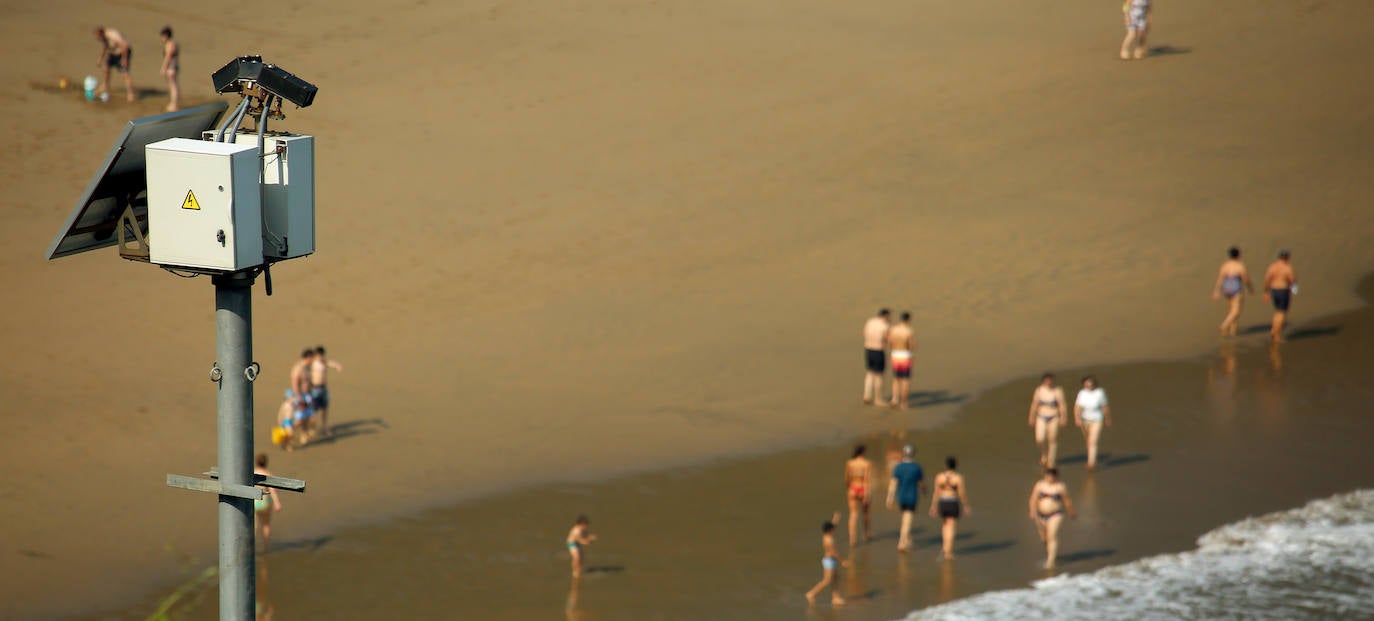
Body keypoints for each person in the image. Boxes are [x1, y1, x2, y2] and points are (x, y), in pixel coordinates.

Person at [1029, 468, 1076, 569]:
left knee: (1052, 536)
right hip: (1040, 514)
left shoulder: (1060, 487)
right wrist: (1032, 511)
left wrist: (1071, 512)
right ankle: (1051, 553)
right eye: (1048, 475)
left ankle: (1050, 562)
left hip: (1055, 514)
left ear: (1056, 477)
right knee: (1044, 538)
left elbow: (1066, 500)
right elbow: (1033, 498)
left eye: (1052, 476)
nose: (1049, 478)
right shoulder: (1040, 485)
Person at [886, 444, 927, 552]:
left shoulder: (898, 467)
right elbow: (920, 483)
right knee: (908, 518)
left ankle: (907, 538)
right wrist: (924, 490)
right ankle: (902, 542)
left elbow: (893, 484)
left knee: (904, 517)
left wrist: (889, 498)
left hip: (901, 496)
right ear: (913, 454)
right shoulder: (916, 467)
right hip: (911, 496)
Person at [929, 456, 970, 560]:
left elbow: (936, 492)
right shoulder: (958, 478)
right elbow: (961, 493)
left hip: (942, 502)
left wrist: (933, 506)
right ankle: (949, 552)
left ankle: (944, 548)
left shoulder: (939, 476)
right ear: (955, 466)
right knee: (951, 526)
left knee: (945, 524)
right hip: (952, 502)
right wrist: (965, 505)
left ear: (946, 465)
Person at [804, 512, 847, 607]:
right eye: (833, 529)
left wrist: (835, 518)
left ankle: (835, 598)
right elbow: (833, 553)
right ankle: (811, 594)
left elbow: (832, 525)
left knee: (836, 579)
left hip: (832, 561)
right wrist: (843, 561)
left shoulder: (827, 535)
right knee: (827, 581)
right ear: (830, 530)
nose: (834, 529)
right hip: (829, 562)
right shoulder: (829, 540)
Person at [1212, 247, 1254, 338]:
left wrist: (1216, 291)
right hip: (1236, 288)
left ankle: (1233, 331)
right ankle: (1224, 325)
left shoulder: (1225, 265)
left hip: (1226, 288)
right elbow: (1245, 279)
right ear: (1238, 255)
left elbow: (1220, 278)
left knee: (1232, 309)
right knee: (1236, 310)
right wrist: (1250, 288)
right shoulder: (1240, 266)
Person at [1028, 373, 1067, 468]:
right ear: (1044, 381)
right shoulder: (1039, 390)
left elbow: (1062, 405)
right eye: (1047, 380)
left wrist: (1063, 417)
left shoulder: (1058, 391)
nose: (1049, 382)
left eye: (1050, 380)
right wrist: (1031, 417)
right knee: (1039, 439)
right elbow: (1034, 404)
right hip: (1041, 416)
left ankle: (1051, 461)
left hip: (1054, 416)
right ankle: (1044, 454)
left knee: (1052, 439)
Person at [1074, 376, 1112, 471]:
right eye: (1087, 383)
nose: (1089, 385)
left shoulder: (1100, 392)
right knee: (1088, 440)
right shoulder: (1082, 393)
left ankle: (1091, 463)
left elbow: (1104, 406)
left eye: (1091, 383)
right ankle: (1091, 457)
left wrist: (1107, 418)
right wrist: (1077, 418)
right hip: (1084, 420)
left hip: (1097, 420)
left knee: (1093, 441)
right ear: (1084, 384)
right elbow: (1077, 407)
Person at [1262, 250, 1297, 343]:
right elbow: (1292, 280)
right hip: (1283, 290)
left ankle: (1274, 329)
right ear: (1287, 257)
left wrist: (1266, 292)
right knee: (1282, 313)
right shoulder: (1287, 268)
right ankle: (1276, 334)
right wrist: (1294, 291)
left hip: (1274, 290)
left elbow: (1266, 279)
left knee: (1277, 311)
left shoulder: (1272, 267)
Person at [92, 27, 134, 102]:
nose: (97, 39)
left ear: (101, 34)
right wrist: (100, 59)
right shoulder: (103, 38)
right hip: (113, 54)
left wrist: (124, 60)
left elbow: (125, 46)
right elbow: (105, 46)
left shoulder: (113, 35)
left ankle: (130, 93)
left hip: (123, 53)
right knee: (105, 68)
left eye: (97, 37)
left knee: (125, 75)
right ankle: (105, 85)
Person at [844, 445, 874, 545]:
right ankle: (866, 533)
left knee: (853, 514)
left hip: (852, 488)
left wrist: (849, 488)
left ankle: (852, 539)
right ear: (863, 452)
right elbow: (866, 480)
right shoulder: (866, 463)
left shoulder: (849, 463)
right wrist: (866, 494)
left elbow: (847, 478)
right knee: (865, 513)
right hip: (862, 489)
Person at [309, 346, 343, 436]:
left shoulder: (324, 363)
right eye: (319, 355)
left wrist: (337, 366)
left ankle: (324, 427)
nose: (321, 357)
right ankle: (311, 429)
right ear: (315, 355)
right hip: (314, 388)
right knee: (313, 410)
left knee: (325, 408)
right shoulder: (312, 364)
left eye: (322, 355)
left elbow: (330, 363)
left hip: (323, 388)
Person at [886, 312, 916, 409]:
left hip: (895, 355)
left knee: (896, 378)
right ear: (908, 319)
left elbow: (889, 341)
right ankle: (904, 402)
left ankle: (894, 399)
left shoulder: (893, 329)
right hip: (905, 356)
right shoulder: (908, 331)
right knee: (905, 380)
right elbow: (911, 346)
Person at [254, 453, 282, 553]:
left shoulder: (253, 472)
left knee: (254, 524)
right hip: (265, 501)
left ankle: (251, 545)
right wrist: (277, 503)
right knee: (266, 525)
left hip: (254, 501)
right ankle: (265, 547)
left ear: (256, 462)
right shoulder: (268, 474)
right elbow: (272, 490)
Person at [862, 309, 891, 405]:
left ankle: (867, 395)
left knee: (870, 372)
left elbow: (865, 333)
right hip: (878, 350)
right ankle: (878, 399)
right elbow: (887, 339)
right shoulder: (885, 325)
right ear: (886, 316)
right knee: (879, 375)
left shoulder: (870, 321)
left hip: (868, 349)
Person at [159, 26, 180, 111]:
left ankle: (174, 104)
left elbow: (168, 57)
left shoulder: (169, 44)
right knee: (173, 85)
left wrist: (163, 68)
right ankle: (174, 103)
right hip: (174, 67)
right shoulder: (174, 43)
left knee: (173, 86)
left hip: (171, 68)